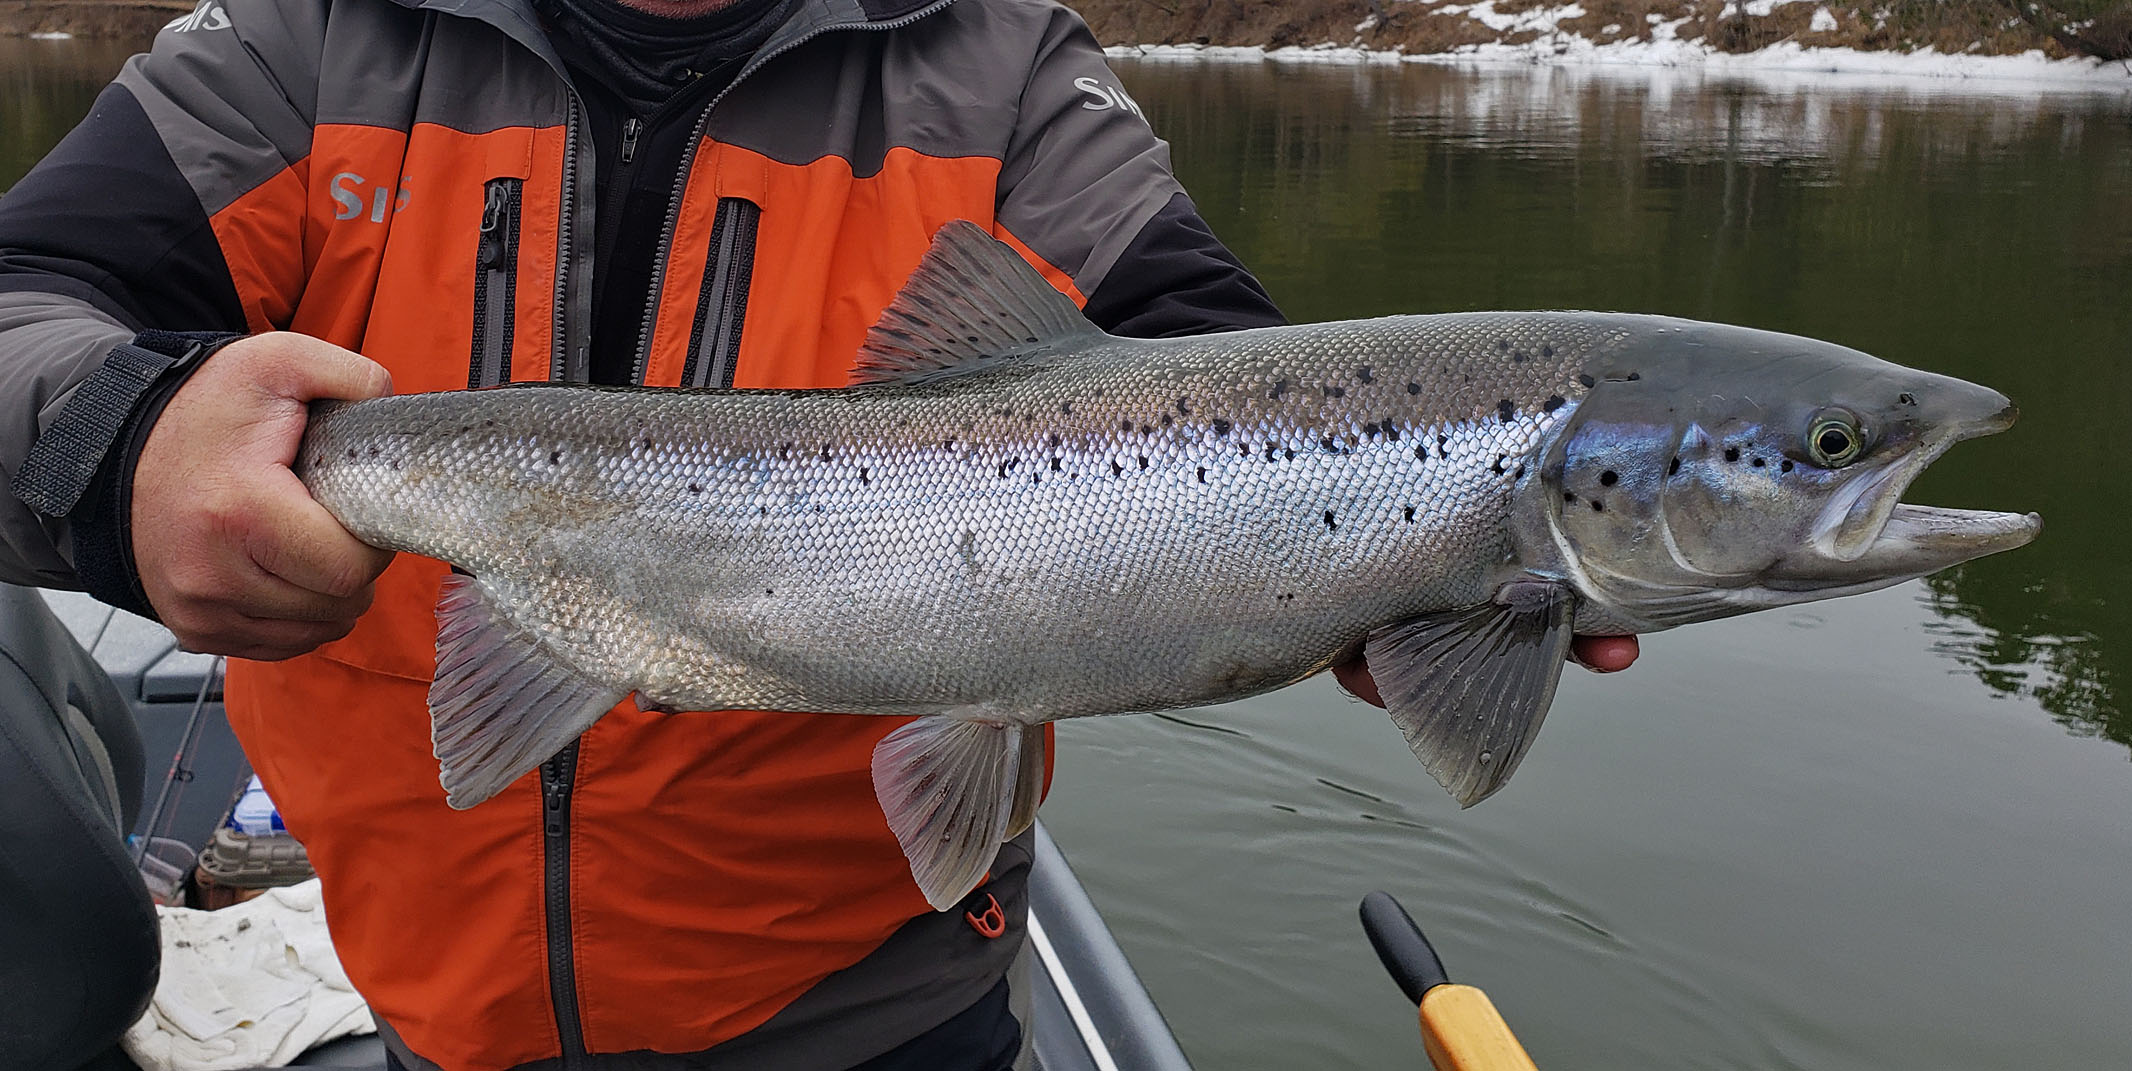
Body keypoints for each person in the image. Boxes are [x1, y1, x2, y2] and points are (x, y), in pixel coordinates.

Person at [0, 0, 1636, 1066]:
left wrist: (1366, 554)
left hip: (880, 1013)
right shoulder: (300, 54)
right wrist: (122, 446)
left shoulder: (1004, 80)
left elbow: (1218, 373)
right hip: (436, 1000)